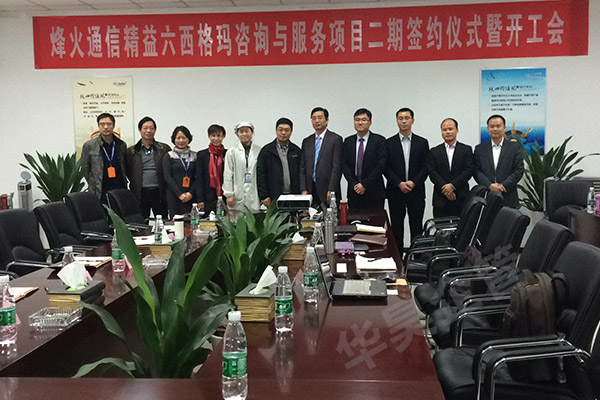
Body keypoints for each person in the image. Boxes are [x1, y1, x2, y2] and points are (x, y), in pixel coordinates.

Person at [385, 107, 429, 251]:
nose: (404, 121)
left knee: (416, 228)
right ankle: (398, 259)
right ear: (397, 121)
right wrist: (399, 183)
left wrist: (413, 182)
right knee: (396, 228)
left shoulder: (422, 142)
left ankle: (416, 258)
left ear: (412, 120)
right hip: (395, 192)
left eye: (407, 118)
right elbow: (386, 167)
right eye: (401, 118)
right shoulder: (389, 143)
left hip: (416, 192)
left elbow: (426, 167)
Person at [425, 118, 474, 218]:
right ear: (441, 132)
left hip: (461, 197)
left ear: (457, 130)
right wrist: (445, 188)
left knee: (462, 226)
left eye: (450, 129)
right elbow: (432, 172)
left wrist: (452, 186)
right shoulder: (434, 151)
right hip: (440, 199)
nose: (447, 132)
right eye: (444, 130)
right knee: (440, 227)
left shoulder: (466, 149)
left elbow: (468, 170)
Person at [474, 114, 525, 208]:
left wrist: (502, 186)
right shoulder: (480, 149)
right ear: (488, 128)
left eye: (498, 126)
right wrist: (489, 185)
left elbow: (519, 170)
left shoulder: (515, 147)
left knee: (509, 218)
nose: (495, 129)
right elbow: (476, 171)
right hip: (486, 195)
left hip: (508, 196)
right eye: (492, 126)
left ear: (504, 127)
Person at [125, 116, 171, 219]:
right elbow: (128, 170)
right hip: (140, 192)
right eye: (145, 128)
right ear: (139, 130)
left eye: (151, 128)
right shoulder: (131, 151)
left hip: (159, 191)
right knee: (142, 221)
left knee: (162, 220)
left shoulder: (164, 148)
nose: (148, 131)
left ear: (155, 130)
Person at [342, 108, 387, 210]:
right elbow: (344, 165)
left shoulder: (379, 140)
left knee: (375, 220)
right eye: (357, 120)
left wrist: (364, 184)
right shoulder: (348, 141)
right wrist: (355, 185)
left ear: (370, 122)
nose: (360, 123)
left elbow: (381, 165)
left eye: (363, 120)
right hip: (354, 191)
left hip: (374, 192)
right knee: (355, 219)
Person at [299, 107, 343, 208]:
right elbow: (302, 168)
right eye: (314, 118)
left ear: (327, 120)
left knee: (330, 216)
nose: (317, 121)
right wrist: (303, 189)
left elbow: (337, 167)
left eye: (320, 118)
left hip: (328, 190)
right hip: (310, 190)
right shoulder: (307, 141)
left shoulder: (335, 139)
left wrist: (332, 189)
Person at [80, 112, 128, 202]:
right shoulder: (89, 145)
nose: (106, 127)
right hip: (100, 189)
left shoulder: (121, 144)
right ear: (98, 126)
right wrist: (93, 183)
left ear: (113, 126)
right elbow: (85, 168)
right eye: (102, 124)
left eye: (109, 124)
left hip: (119, 187)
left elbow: (125, 165)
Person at [257, 117, 302, 207]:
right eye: (280, 130)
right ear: (276, 130)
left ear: (291, 132)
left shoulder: (296, 151)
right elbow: (261, 174)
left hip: (294, 195)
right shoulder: (266, 151)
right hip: (273, 196)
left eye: (287, 130)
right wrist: (264, 195)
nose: (283, 133)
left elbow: (302, 173)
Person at [222, 121, 261, 212]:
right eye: (241, 132)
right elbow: (228, 174)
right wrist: (229, 194)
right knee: (237, 219)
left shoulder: (259, 150)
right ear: (237, 134)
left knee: (254, 218)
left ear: (252, 132)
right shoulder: (232, 151)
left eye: (247, 131)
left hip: (254, 193)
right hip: (237, 194)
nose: (244, 134)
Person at [162, 126, 197, 217]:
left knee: (192, 221)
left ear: (189, 139)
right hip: (174, 195)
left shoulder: (195, 156)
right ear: (174, 139)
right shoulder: (169, 156)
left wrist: (190, 193)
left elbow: (199, 177)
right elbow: (167, 177)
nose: (181, 140)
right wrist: (179, 194)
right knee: (176, 222)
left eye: (184, 138)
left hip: (191, 196)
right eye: (178, 138)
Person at [196, 124, 227, 213]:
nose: (216, 138)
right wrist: (200, 199)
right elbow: (199, 178)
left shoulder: (228, 153)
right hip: (207, 196)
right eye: (213, 136)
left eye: (219, 136)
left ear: (224, 136)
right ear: (209, 136)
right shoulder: (202, 155)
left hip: (224, 194)